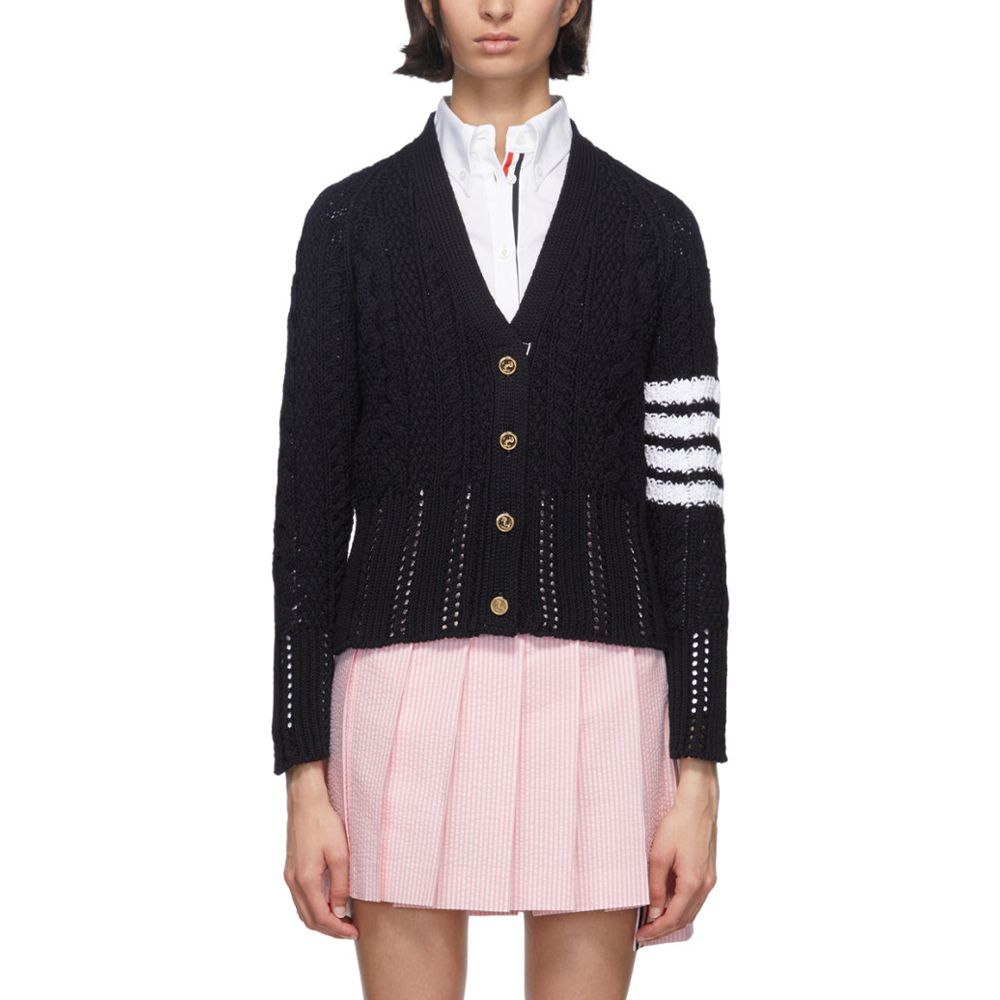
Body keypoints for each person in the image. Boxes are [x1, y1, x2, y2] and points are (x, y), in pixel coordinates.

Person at [271, 2, 729, 996]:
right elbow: (306, 515)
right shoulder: (351, 225)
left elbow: (688, 511)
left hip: (604, 690)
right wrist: (303, 771)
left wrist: (697, 771)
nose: (495, 5)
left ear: (571, 2)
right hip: (398, 688)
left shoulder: (655, 230)